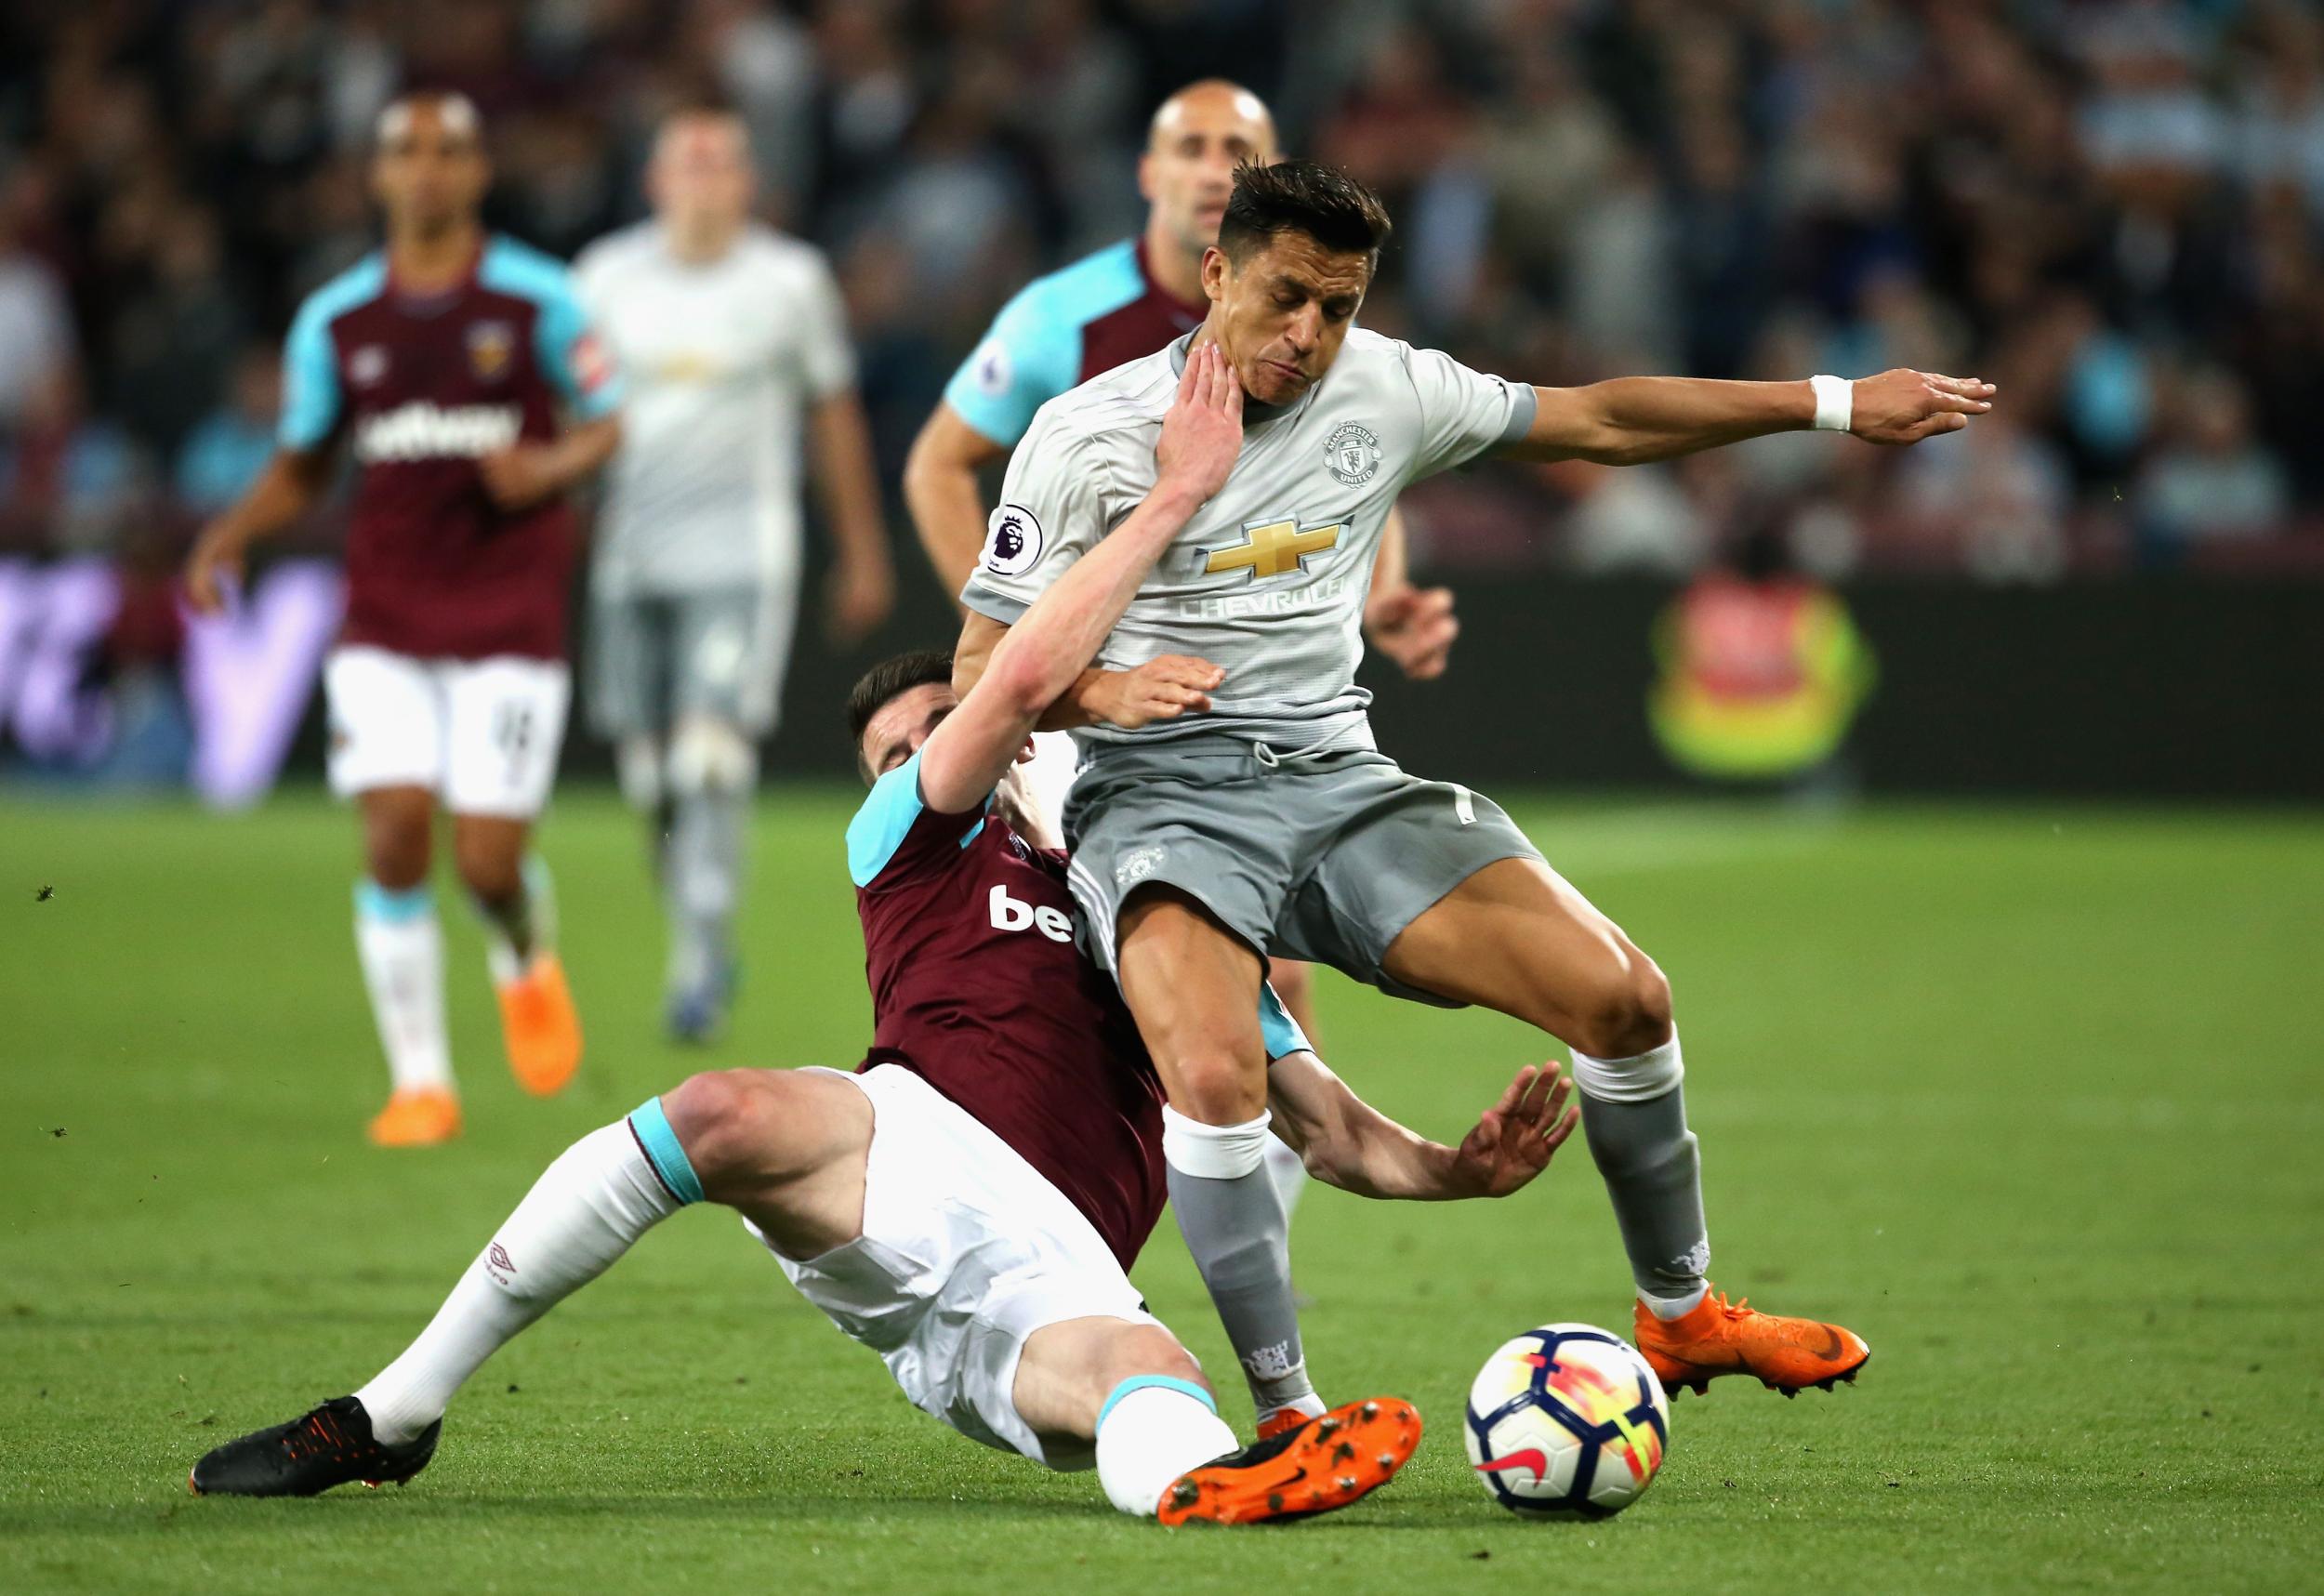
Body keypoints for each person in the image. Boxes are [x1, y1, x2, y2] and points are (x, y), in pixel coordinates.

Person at [190, 346, 1579, 1525]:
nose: (910, 756)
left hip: (1055, 1261)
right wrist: (1173, 496)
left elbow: (1325, 1131)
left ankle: (1209, 1487)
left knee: (1153, 1385)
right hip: (900, 1139)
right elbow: (1020, 673)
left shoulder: (1174, 900)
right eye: (888, 749)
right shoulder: (908, 837)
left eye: (920, 731)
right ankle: (393, 1410)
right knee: (719, 1110)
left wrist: (1460, 1171)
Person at [956, 159, 1998, 1416]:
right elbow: (979, 676)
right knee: (1221, 1081)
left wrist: (1834, 404)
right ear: (1217, 271)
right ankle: (1288, 1416)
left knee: (1623, 999)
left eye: (1338, 306)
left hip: (1338, 782)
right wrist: (1102, 696)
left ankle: (1682, 1318)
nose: (1310, 335)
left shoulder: (1384, 387)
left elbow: (1601, 419)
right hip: (1160, 802)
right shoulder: (1086, 436)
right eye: (1288, 296)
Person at [902, 78, 1454, 1265]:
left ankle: (1250, 1261)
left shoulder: (1304, 322)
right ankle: (1039, 1239)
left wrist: (1387, 587)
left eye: (1238, 149)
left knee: (1277, 991)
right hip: (1067, 711)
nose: (1214, 166)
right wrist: (1021, 651)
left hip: (1220, 705)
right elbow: (939, 467)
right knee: (1095, 977)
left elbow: (1354, 471)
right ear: (1151, 177)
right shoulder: (1066, 316)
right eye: (1191, 147)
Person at [183, 94, 623, 1146]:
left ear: (479, 173)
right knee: (390, 836)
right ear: (377, 176)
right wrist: (228, 533)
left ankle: (522, 950)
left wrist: (548, 464)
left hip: (509, 613)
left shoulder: (540, 302)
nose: (427, 169)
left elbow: (606, 422)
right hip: (383, 613)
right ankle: (420, 1082)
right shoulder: (337, 321)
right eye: (406, 153)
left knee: (482, 859)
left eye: (450, 152)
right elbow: (302, 463)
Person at [573, 107, 894, 1042]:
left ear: (748, 184)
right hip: (629, 553)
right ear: (655, 181)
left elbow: (833, 417)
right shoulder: (603, 279)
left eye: (724, 164)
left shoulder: (787, 282)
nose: (707, 179)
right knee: (648, 775)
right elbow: (568, 410)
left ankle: (698, 959)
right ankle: (699, 921)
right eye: (690, 162)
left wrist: (861, 551)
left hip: (741, 552)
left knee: (708, 755)